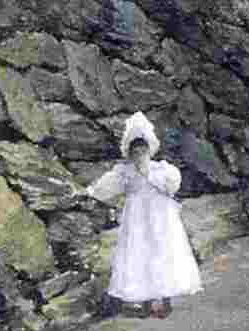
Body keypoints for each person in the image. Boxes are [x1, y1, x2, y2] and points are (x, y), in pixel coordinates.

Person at [73, 111, 202, 319]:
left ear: (149, 150)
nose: (140, 154)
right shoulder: (125, 172)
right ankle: (145, 301)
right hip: (137, 219)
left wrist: (149, 174)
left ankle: (165, 300)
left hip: (160, 218)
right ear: (130, 153)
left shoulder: (161, 170)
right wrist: (90, 192)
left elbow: (172, 185)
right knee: (139, 255)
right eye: (135, 151)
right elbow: (107, 185)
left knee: (163, 253)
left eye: (143, 150)